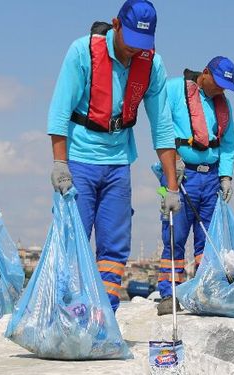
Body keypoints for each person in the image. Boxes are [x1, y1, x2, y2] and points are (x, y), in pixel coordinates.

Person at [47, 0, 180, 312]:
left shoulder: (152, 65)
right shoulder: (83, 52)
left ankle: (102, 315)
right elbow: (59, 110)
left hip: (119, 161)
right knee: (72, 239)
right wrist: (59, 162)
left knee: (115, 245)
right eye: (131, 41)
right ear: (116, 25)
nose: (135, 51)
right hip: (79, 159)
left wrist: (171, 184)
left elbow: (162, 126)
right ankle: (66, 312)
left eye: (142, 44)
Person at [155, 56, 234, 316]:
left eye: (225, 86)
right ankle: (170, 294)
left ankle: (205, 291)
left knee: (208, 240)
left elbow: (229, 144)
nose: (220, 90)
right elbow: (159, 125)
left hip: (210, 177)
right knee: (174, 237)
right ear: (205, 73)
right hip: (179, 176)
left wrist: (225, 176)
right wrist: (172, 162)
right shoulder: (173, 88)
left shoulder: (223, 104)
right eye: (218, 83)